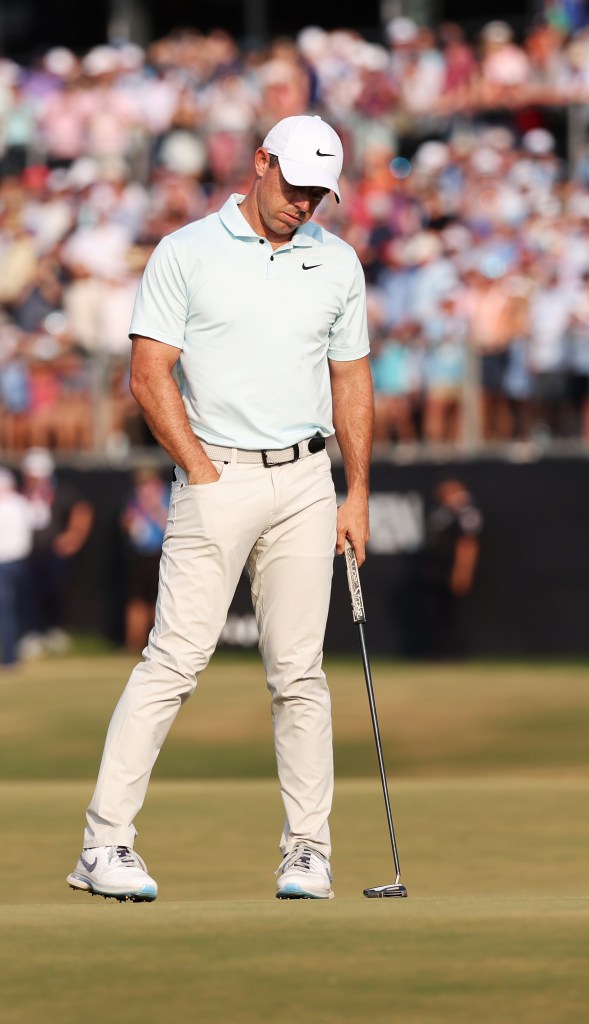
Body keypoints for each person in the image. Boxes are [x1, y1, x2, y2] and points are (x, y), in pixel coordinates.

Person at [67, 114, 373, 903]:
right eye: (297, 187)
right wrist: (199, 471)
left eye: (320, 195)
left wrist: (357, 490)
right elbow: (148, 374)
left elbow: (350, 381)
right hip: (217, 476)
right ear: (261, 162)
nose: (306, 205)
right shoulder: (186, 252)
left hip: (307, 480)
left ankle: (308, 851)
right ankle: (104, 846)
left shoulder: (337, 263)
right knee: (173, 661)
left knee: (299, 674)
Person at [19, 447, 94, 658]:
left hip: (54, 552)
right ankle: (32, 633)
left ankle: (54, 630)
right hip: (26, 552)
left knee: (55, 591)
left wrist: (73, 536)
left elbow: (82, 510)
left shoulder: (62, 492)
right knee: (29, 594)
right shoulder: (20, 493)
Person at [419, 477, 482, 658]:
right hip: (437, 572)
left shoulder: (466, 512)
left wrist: (462, 571)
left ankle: (453, 653)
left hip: (450, 571)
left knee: (452, 615)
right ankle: (439, 652)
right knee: (437, 613)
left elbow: (468, 544)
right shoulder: (441, 512)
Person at [120, 467, 170, 654]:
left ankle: (157, 642)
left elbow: (170, 524)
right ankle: (133, 642)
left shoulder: (168, 495)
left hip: (160, 553)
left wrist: (154, 508)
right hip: (138, 553)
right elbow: (126, 522)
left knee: (159, 600)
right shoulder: (134, 498)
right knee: (136, 600)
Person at [0, 468, 32, 671]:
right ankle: (12, 655)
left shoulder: (15, 505)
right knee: (12, 610)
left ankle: (10, 658)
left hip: (5, 563)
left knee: (6, 612)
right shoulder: (21, 504)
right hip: (19, 563)